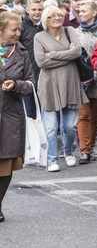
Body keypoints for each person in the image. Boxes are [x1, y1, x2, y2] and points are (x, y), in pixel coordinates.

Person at [34, 6, 89, 172]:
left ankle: (68, 151)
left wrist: (52, 54)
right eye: (52, 16)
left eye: (59, 15)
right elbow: (41, 62)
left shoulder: (69, 31)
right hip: (49, 83)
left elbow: (77, 52)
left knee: (70, 125)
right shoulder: (39, 37)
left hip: (70, 82)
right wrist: (67, 54)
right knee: (50, 127)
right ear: (46, 19)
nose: (57, 18)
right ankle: (52, 159)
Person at [0, 11, 35, 222]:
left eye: (19, 29)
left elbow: (31, 83)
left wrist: (16, 85)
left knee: (5, 165)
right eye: (14, 29)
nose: (18, 33)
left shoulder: (21, 52)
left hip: (11, 117)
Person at [75, 0, 97, 164]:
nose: (80, 13)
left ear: (94, 13)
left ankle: (91, 146)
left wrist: (95, 75)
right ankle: (85, 150)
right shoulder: (74, 32)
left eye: (83, 11)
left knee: (95, 116)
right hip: (81, 80)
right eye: (79, 11)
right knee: (83, 115)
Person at [19, 0, 44, 119]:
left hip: (44, 73)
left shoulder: (46, 26)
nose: (37, 12)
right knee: (30, 112)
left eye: (40, 9)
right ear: (27, 10)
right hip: (27, 74)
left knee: (44, 109)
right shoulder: (21, 27)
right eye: (34, 9)